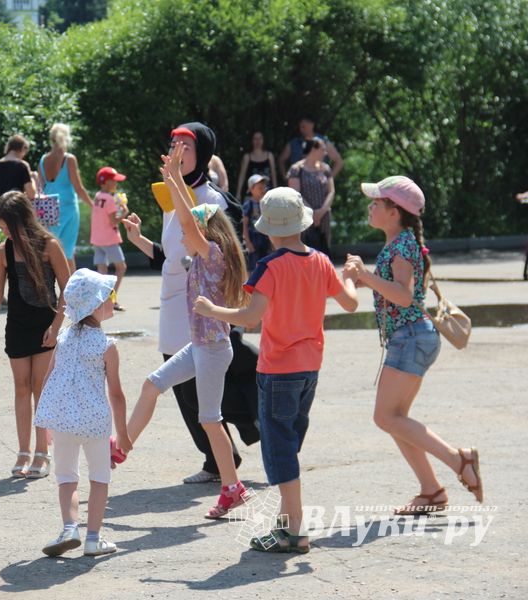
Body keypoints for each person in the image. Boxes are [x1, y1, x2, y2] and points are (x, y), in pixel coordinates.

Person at [194, 186, 359, 552]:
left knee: (280, 450)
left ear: (268, 229)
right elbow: (350, 303)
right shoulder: (320, 260)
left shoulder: (270, 267)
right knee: (288, 445)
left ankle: (295, 530)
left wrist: (211, 310)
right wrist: (350, 276)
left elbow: (251, 318)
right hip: (310, 368)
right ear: (301, 224)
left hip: (279, 369)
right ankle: (285, 528)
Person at [126, 141, 250, 519]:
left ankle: (232, 488)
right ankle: (121, 447)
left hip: (212, 349)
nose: (182, 235)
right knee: (153, 383)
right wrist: (175, 180)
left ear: (203, 231)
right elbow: (183, 223)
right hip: (200, 345)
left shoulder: (212, 255)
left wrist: (176, 180)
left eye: (190, 230)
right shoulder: (200, 256)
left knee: (210, 419)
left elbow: (185, 221)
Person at [344, 176, 483, 515]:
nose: (370, 206)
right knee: (395, 418)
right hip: (411, 337)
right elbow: (397, 290)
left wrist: (365, 276)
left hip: (410, 338)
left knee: (385, 417)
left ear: (394, 212)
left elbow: (404, 296)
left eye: (377, 202)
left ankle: (459, 460)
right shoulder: (401, 242)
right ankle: (431, 490)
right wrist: (364, 280)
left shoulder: (402, 246)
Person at [151, 122, 244, 485]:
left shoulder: (212, 198)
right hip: (172, 294)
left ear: (202, 154)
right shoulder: (169, 190)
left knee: (195, 387)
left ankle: (221, 459)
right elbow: (170, 246)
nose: (176, 151)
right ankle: (215, 457)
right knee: (179, 385)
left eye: (185, 146)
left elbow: (215, 252)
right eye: (173, 143)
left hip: (199, 299)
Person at [35, 269, 131, 557]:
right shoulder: (106, 345)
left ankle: (69, 528)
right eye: (110, 295)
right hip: (95, 423)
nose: (113, 299)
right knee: (99, 478)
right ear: (97, 305)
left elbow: (48, 379)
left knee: (67, 477)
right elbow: (116, 393)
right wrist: (123, 434)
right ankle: (93, 538)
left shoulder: (63, 338)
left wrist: (45, 422)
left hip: (63, 421)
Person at [0, 192, 70, 479]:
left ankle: (42, 452)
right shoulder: (2, 252)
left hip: (45, 325)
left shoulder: (49, 245)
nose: (5, 232)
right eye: (2, 228)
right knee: (21, 387)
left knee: (40, 388)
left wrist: (56, 327)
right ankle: (23, 451)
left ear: (21, 221)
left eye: (7, 226)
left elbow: (68, 289)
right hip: (17, 326)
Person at [39, 123, 93, 273]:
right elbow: (79, 188)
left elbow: (40, 188)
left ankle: (47, 282)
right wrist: (93, 206)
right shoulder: (69, 159)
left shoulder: (43, 160)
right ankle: (71, 285)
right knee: (68, 251)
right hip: (68, 209)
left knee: (49, 248)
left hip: (49, 210)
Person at [288, 137, 335, 257]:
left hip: (324, 216)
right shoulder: (296, 169)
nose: (325, 153)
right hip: (304, 216)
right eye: (323, 149)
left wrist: (321, 212)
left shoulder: (326, 168)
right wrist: (312, 213)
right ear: (314, 149)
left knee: (325, 251)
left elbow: (331, 191)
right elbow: (296, 194)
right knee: (305, 251)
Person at [91, 166, 129, 311]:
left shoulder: (98, 196)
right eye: (114, 181)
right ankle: (112, 300)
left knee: (102, 270)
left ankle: (101, 301)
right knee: (121, 267)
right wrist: (124, 213)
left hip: (97, 239)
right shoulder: (109, 199)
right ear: (106, 182)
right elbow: (113, 221)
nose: (116, 183)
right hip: (109, 239)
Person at [277, 116, 343, 180]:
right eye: (300, 127)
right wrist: (285, 177)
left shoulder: (323, 142)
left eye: (304, 126)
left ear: (312, 125)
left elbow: (339, 161)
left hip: (318, 181)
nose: (301, 129)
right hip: (297, 182)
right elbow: (281, 160)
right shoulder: (293, 143)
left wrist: (329, 180)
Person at [0, 135, 35, 200]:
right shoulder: (22, 165)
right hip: (17, 204)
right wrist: (33, 179)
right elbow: (31, 195)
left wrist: (0, 192)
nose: (23, 156)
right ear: (22, 148)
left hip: (2, 205)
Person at [242, 174, 272, 271]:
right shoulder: (248, 205)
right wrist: (248, 242)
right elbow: (244, 224)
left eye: (264, 188)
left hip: (265, 238)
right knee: (254, 266)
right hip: (253, 238)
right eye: (260, 188)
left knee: (266, 263)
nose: (263, 190)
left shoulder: (266, 204)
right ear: (251, 189)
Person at [235, 131, 277, 199]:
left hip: (267, 194)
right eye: (255, 138)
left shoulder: (269, 155)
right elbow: (242, 176)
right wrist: (238, 193)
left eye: (260, 138)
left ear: (263, 140)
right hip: (252, 194)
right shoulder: (247, 157)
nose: (258, 141)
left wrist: (275, 190)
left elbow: (273, 175)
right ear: (252, 140)